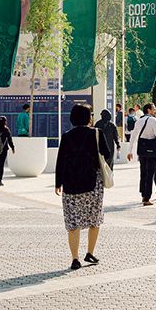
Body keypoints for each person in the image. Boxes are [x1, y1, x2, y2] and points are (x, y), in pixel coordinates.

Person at [56, 104, 110, 269]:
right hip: (93, 184)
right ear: (89, 117)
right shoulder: (96, 133)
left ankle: (75, 258)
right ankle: (90, 253)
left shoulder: (66, 136)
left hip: (71, 184)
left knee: (73, 223)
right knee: (94, 220)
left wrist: (58, 183)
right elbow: (107, 154)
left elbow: (60, 161)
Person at [126, 103, 156, 206]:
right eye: (153, 109)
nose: (155, 111)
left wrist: (129, 151)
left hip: (142, 150)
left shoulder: (139, 120)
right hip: (151, 150)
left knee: (143, 172)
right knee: (150, 173)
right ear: (148, 110)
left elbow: (133, 136)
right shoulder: (153, 120)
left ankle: (143, 194)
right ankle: (147, 198)